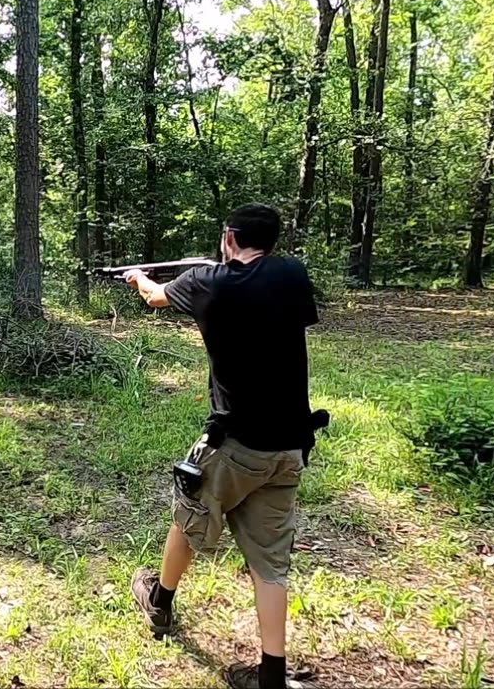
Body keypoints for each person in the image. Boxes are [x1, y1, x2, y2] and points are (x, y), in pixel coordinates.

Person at [122, 203, 320, 689]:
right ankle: (271, 673)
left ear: (229, 237)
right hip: (289, 446)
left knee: (187, 516)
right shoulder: (292, 274)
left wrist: (139, 278)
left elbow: (155, 298)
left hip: (234, 442)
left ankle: (159, 603)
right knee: (271, 564)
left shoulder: (208, 283)